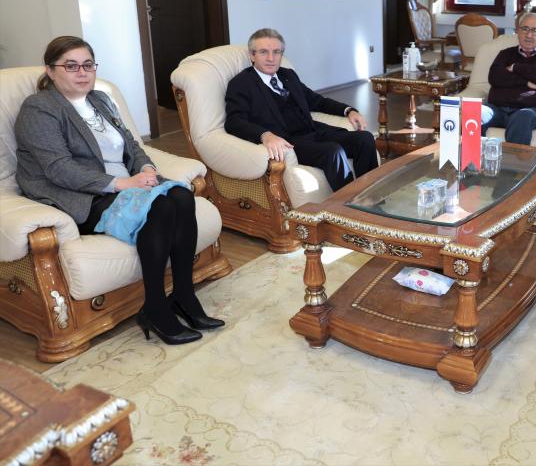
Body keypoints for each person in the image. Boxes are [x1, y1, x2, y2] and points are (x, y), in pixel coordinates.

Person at [15, 36, 222, 345]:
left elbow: (132, 146)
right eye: (71, 66)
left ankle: (183, 296)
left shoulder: (100, 99)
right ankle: (155, 309)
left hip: (127, 184)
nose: (82, 73)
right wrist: (122, 184)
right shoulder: (39, 108)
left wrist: (146, 168)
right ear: (50, 70)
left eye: (88, 65)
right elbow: (59, 168)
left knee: (181, 195)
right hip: (83, 195)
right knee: (161, 207)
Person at [225, 28, 378, 191]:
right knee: (333, 151)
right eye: (263, 52)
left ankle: (371, 194)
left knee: (365, 139)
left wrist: (348, 110)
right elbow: (234, 122)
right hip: (290, 142)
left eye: (276, 52)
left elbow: (317, 101)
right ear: (252, 55)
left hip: (313, 131)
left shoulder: (288, 75)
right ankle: (349, 202)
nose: (271, 58)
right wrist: (265, 135)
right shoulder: (241, 84)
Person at [481, 12, 536, 145]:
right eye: (525, 29)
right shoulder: (505, 54)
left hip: (531, 113)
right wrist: (528, 83)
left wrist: (515, 68)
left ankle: (512, 159)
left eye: (534, 30)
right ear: (517, 31)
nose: (529, 35)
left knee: (522, 116)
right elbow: (494, 76)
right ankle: (472, 158)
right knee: (476, 111)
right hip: (497, 110)